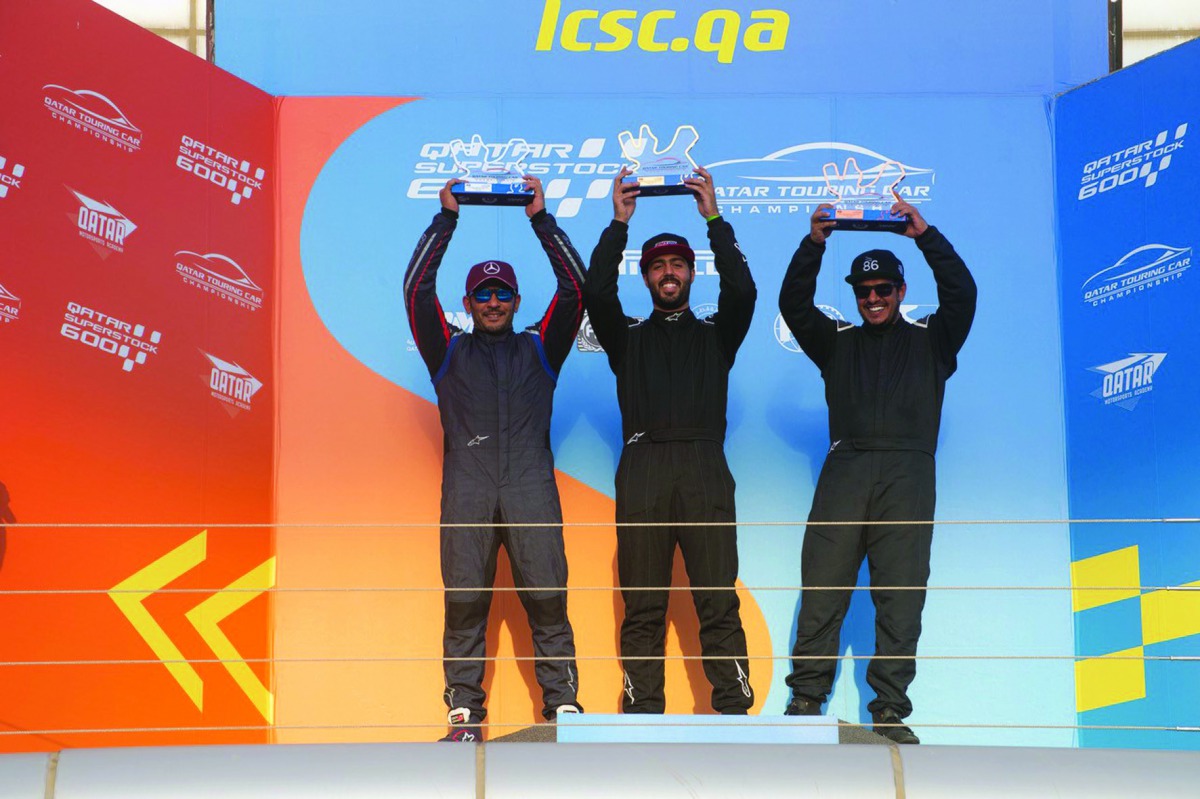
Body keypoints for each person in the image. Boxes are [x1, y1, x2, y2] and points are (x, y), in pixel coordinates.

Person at [777, 201, 977, 744]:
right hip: (846, 468)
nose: (872, 299)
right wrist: (813, 243)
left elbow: (963, 294)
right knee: (822, 589)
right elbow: (793, 303)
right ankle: (805, 700)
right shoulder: (836, 344)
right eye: (863, 292)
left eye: (883, 290)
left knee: (901, 595)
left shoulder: (933, 342)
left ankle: (889, 711)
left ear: (900, 292)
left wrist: (926, 236)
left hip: (909, 474)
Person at [403, 176, 587, 741]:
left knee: (548, 597)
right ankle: (464, 717)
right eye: (482, 295)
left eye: (502, 294)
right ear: (468, 303)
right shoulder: (446, 351)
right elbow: (415, 291)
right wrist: (445, 221)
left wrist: (541, 219)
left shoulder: (541, 347)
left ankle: (563, 709)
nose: (492, 303)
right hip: (468, 490)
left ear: (516, 301)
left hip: (530, 485)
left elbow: (576, 289)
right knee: (463, 601)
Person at [582, 166, 757, 715]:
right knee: (643, 603)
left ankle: (734, 709)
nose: (668, 273)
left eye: (677, 264)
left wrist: (713, 218)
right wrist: (619, 223)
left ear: (691, 272)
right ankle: (641, 712)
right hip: (643, 467)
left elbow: (745, 288)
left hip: (705, 465)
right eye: (657, 266)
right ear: (645, 276)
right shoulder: (625, 338)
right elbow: (593, 290)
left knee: (716, 597)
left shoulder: (717, 335)